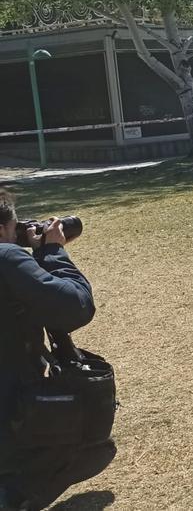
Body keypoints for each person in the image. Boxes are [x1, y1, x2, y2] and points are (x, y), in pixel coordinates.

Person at [0, 190, 114, 511]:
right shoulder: (7, 259)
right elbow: (75, 307)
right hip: (11, 419)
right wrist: (52, 252)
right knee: (94, 448)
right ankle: (12, 494)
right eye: (13, 228)